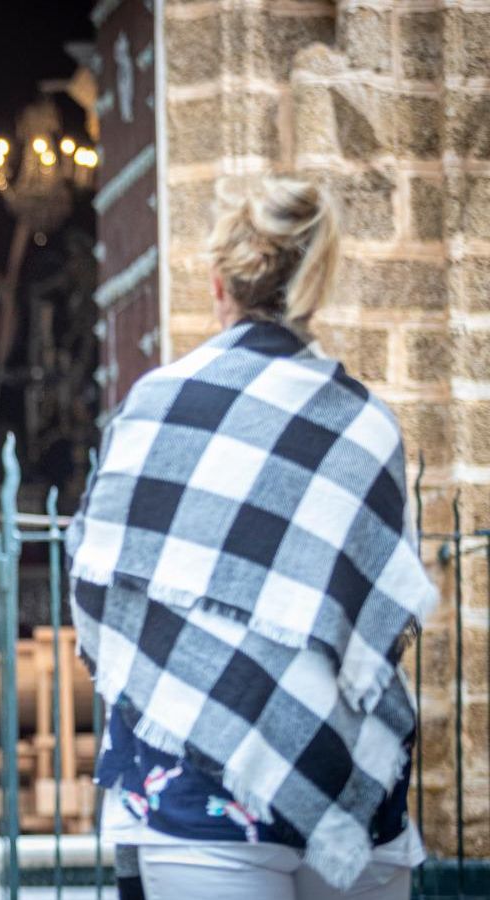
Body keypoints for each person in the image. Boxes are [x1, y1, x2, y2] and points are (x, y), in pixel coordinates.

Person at [68, 178, 437, 900]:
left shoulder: (157, 405)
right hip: (341, 782)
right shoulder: (367, 425)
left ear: (217, 284)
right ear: (313, 286)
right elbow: (381, 620)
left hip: (193, 785)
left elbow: (96, 571)